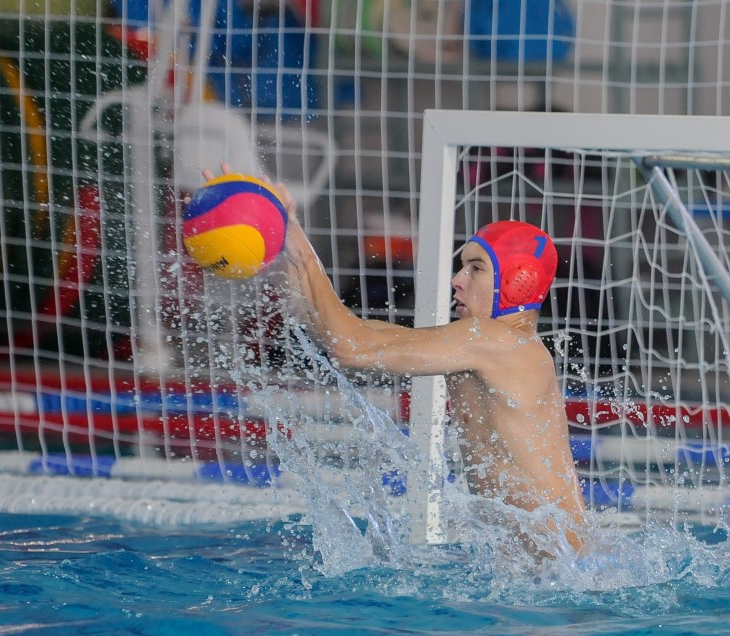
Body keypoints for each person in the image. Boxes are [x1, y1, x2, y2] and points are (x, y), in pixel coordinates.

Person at [202, 167, 587, 555]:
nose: (457, 279)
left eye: (476, 268)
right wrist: (280, 239)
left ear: (518, 279)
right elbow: (331, 330)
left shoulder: (498, 341)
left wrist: (298, 243)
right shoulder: (481, 343)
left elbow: (350, 347)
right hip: (539, 570)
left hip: (558, 570)